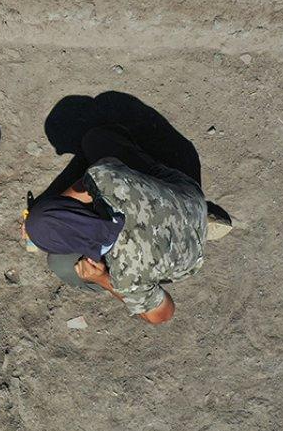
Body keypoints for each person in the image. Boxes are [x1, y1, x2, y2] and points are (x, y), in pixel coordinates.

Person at [22, 125, 232, 324]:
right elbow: (84, 186)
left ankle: (190, 236)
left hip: (188, 256)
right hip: (189, 196)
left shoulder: (127, 271)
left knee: (60, 264)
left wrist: (103, 278)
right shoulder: (104, 179)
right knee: (97, 140)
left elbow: (163, 314)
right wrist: (47, 215)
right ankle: (194, 216)